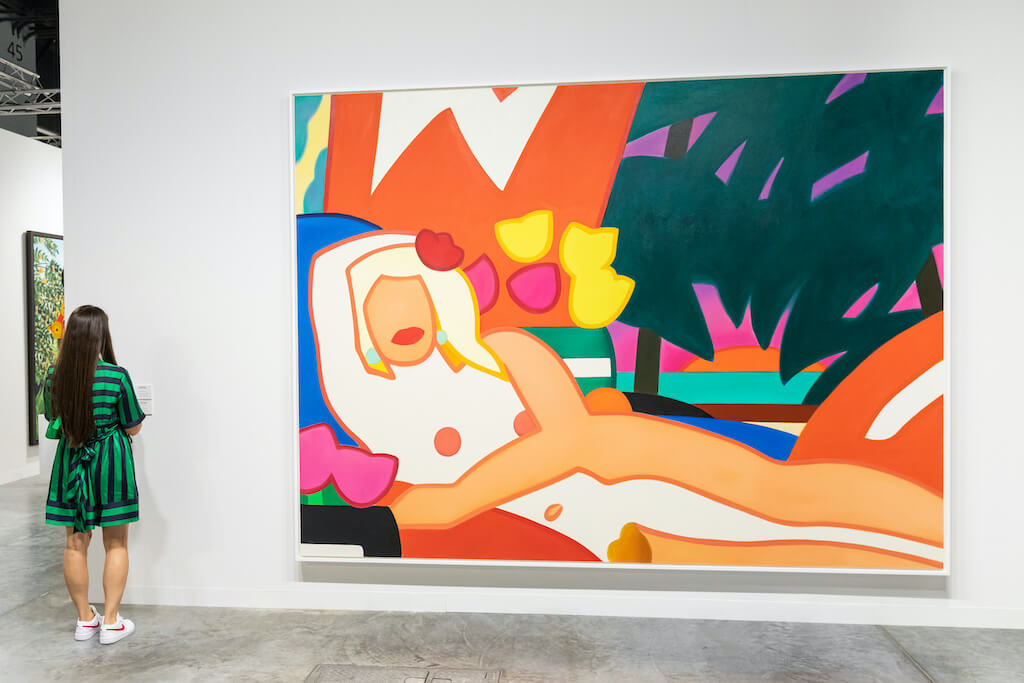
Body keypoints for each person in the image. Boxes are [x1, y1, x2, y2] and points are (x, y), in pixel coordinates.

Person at [43, 305, 145, 644]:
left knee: (75, 543)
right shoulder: (117, 377)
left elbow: (53, 419)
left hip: (72, 462)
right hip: (111, 464)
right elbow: (133, 426)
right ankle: (111, 622)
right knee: (116, 543)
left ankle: (85, 619)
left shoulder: (55, 377)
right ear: (101, 335)